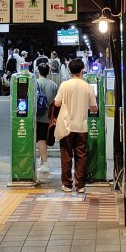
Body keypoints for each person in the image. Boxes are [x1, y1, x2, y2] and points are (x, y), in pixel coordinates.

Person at [54, 57, 97, 193]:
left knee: (66, 155)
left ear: (69, 70)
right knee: (81, 156)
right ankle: (80, 185)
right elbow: (94, 108)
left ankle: (67, 185)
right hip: (81, 127)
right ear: (82, 70)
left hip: (66, 126)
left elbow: (57, 103)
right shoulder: (87, 86)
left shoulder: (64, 85)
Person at [34, 61, 58, 176]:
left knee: (41, 140)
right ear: (48, 72)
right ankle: (42, 159)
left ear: (38, 71)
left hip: (39, 116)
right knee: (45, 139)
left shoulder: (35, 83)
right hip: (50, 117)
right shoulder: (54, 85)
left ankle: (45, 163)